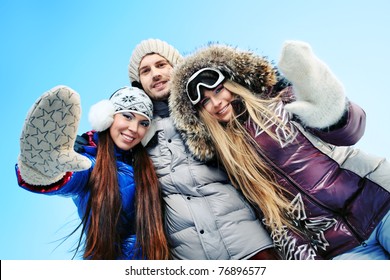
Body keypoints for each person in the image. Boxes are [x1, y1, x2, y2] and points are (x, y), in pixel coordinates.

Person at [169, 40, 390, 260]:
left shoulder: (282, 102)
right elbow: (274, 219)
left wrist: (330, 106)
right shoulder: (229, 161)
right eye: (205, 101)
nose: (216, 102)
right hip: (342, 249)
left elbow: (349, 133)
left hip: (379, 203)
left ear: (233, 83)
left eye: (218, 90)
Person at [124, 38, 279, 259]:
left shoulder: (209, 107)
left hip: (249, 244)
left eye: (161, 65)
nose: (155, 74)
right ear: (138, 83)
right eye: (145, 71)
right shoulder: (137, 135)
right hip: (191, 256)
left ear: (177, 67)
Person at [15, 85, 169, 260]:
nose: (134, 128)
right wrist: (45, 167)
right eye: (127, 116)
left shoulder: (148, 165)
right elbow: (73, 177)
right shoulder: (90, 164)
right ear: (107, 117)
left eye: (143, 123)